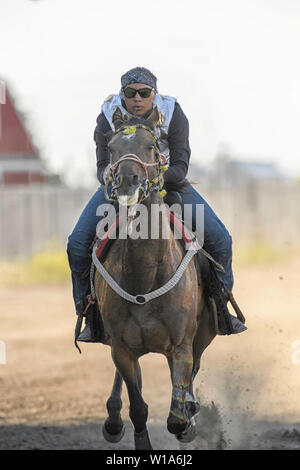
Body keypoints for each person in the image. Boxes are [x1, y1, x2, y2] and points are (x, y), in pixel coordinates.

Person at [67, 66, 246, 344]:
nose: (137, 98)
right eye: (130, 93)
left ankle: (221, 309)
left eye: (144, 93)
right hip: (120, 187)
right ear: (122, 95)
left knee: (221, 239)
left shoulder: (173, 112)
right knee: (77, 243)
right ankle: (89, 313)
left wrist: (154, 179)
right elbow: (102, 164)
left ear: (154, 94)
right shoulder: (106, 115)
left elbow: (181, 166)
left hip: (168, 186)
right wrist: (106, 175)